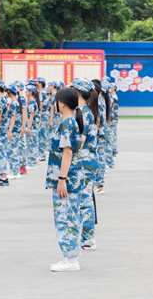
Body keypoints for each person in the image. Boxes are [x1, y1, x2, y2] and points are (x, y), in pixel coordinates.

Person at [46, 87, 85, 272]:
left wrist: (61, 179)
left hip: (67, 180)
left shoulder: (67, 124)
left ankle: (70, 260)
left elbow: (67, 153)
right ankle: (71, 258)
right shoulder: (69, 123)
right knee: (70, 216)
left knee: (66, 218)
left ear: (61, 103)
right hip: (71, 179)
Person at [70, 77, 99, 251]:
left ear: (78, 92)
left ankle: (88, 239)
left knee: (85, 201)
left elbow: (80, 139)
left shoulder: (83, 113)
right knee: (84, 200)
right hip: (85, 161)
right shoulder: (84, 111)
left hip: (85, 162)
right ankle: (86, 237)